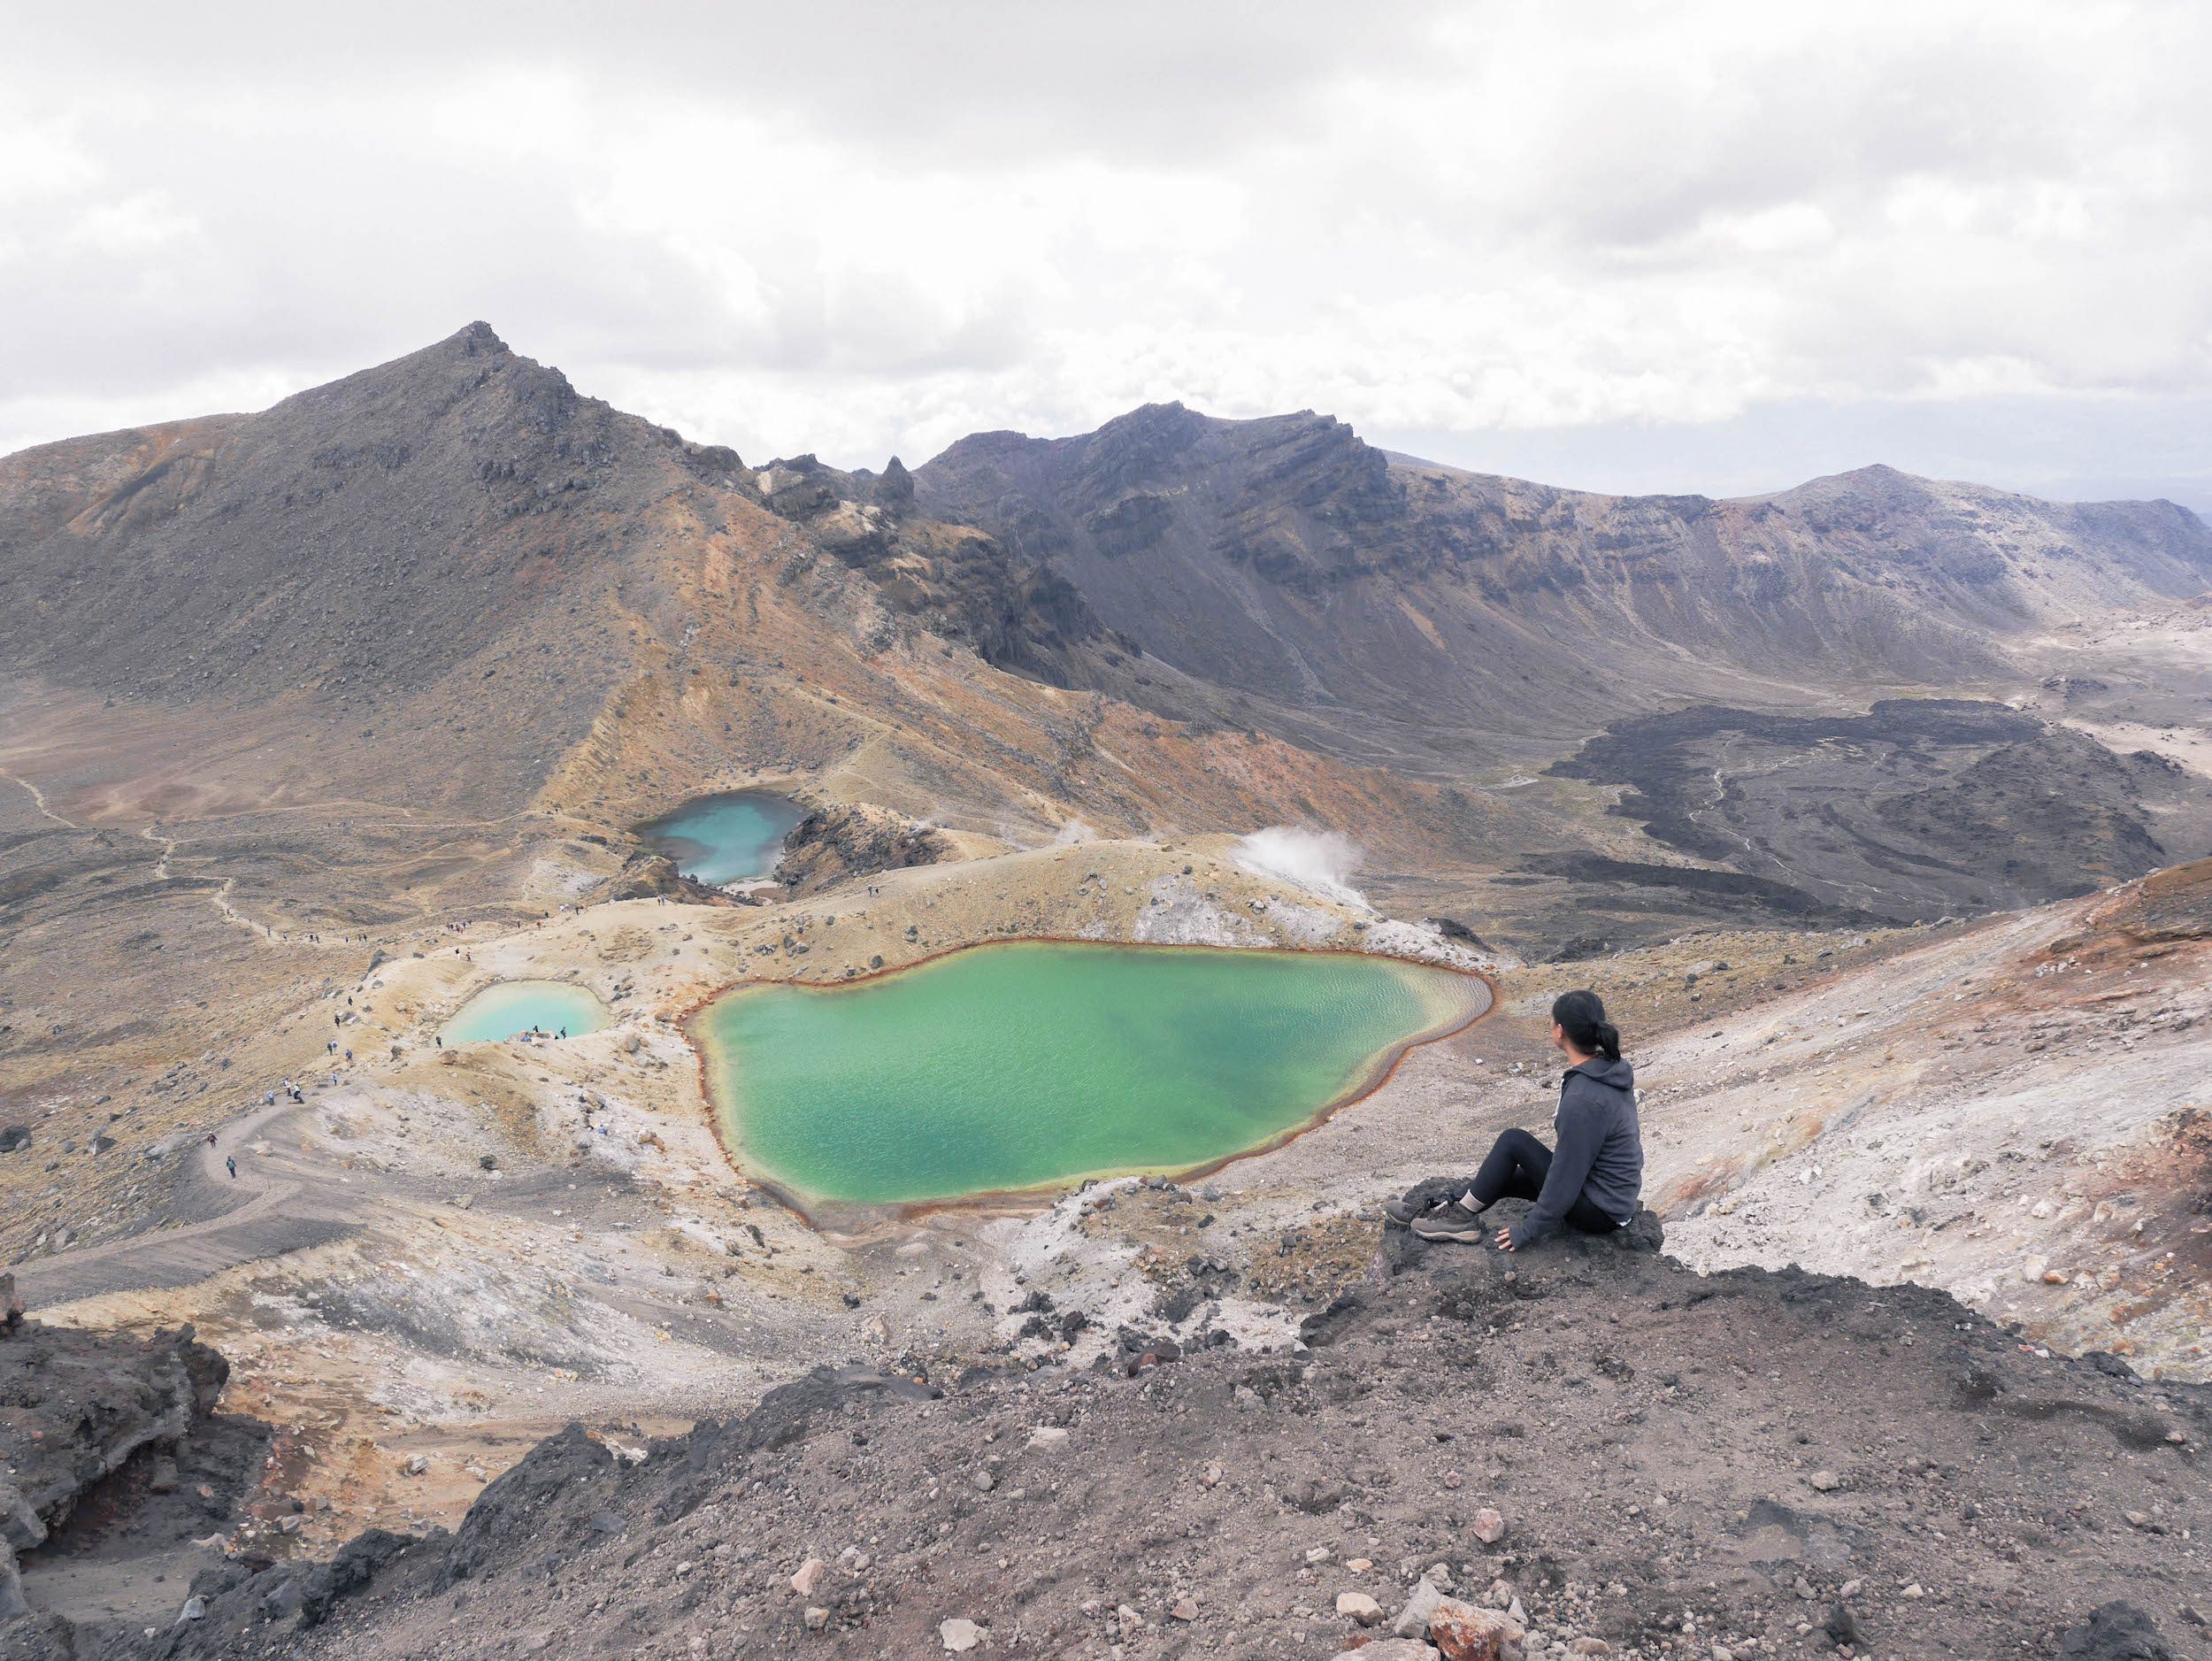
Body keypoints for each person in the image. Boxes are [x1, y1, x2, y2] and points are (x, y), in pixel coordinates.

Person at [1386, 989, 1643, 1250]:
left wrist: (1528, 1230)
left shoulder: (1584, 1099)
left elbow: (1566, 1178)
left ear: (1560, 1032)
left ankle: (1459, 1220)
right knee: (1500, 1176)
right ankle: (1443, 1210)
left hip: (1600, 1211)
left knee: (1513, 1142)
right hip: (1602, 1194)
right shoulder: (1606, 1069)